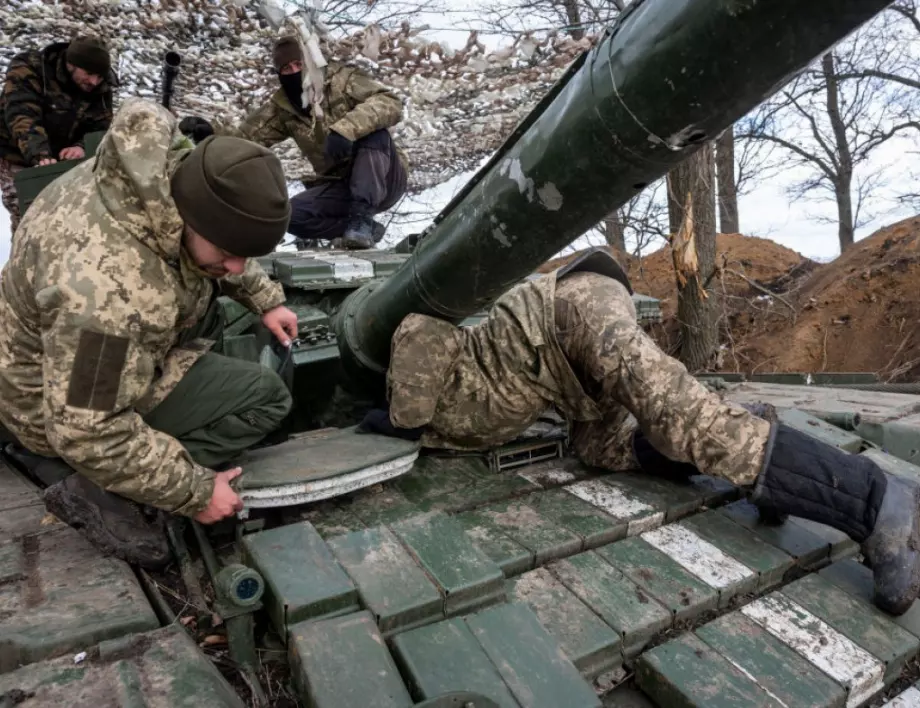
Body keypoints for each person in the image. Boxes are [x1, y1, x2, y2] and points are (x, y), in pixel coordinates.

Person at [360, 247, 920, 616]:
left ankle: (877, 502)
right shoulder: (447, 414)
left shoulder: (414, 375)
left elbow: (420, 327)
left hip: (572, 316)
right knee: (602, 447)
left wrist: (399, 421)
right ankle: (757, 439)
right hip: (568, 384)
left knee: (686, 423)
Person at [0, 97, 299, 568]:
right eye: (228, 251)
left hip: (42, 355)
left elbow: (216, 241)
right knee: (266, 396)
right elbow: (86, 430)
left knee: (211, 311)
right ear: (193, 216)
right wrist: (195, 491)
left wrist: (264, 297)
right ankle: (103, 489)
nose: (237, 266)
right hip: (49, 410)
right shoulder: (109, 293)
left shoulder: (152, 173)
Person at [180, 36, 408, 250]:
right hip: (341, 186)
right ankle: (361, 230)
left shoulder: (342, 80)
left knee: (375, 134)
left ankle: (361, 220)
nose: (295, 72)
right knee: (291, 216)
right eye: (286, 69)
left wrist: (345, 130)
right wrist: (209, 136)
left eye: (299, 65)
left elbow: (390, 103)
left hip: (386, 178)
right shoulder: (283, 108)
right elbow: (244, 139)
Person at [0, 35, 116, 236]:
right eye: (89, 73)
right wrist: (40, 154)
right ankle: (23, 264)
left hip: (63, 160)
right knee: (29, 218)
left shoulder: (99, 85)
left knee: (69, 218)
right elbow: (22, 115)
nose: (94, 81)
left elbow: (102, 125)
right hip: (16, 151)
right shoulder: (30, 67)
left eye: (99, 76)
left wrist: (80, 146)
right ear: (71, 64)